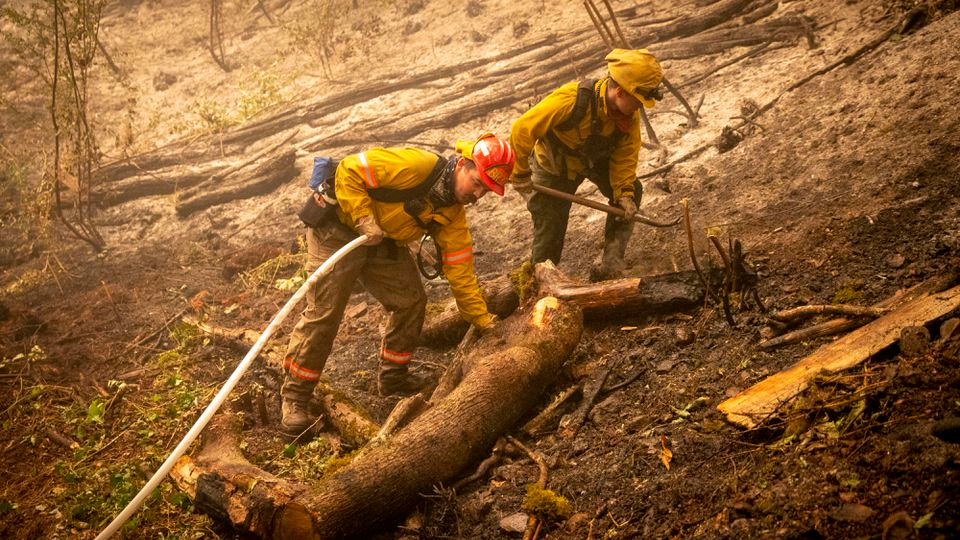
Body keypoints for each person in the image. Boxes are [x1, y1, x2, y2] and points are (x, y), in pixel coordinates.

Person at [280, 134, 516, 435]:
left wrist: (483, 321)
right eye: (477, 183)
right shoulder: (417, 166)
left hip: (383, 241)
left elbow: (462, 276)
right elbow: (350, 170)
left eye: (486, 190)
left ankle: (393, 377)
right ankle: (295, 399)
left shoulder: (452, 216)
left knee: (411, 301)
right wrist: (364, 217)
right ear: (461, 166)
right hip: (337, 231)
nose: (478, 195)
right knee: (325, 313)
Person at [509, 48, 663, 280]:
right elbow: (521, 130)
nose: (640, 107)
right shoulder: (570, 99)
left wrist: (624, 192)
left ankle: (611, 265)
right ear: (620, 92)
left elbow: (626, 154)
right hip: (554, 166)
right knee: (549, 228)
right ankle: (538, 283)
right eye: (639, 101)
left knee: (632, 191)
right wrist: (519, 173)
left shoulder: (627, 116)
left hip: (592, 160)